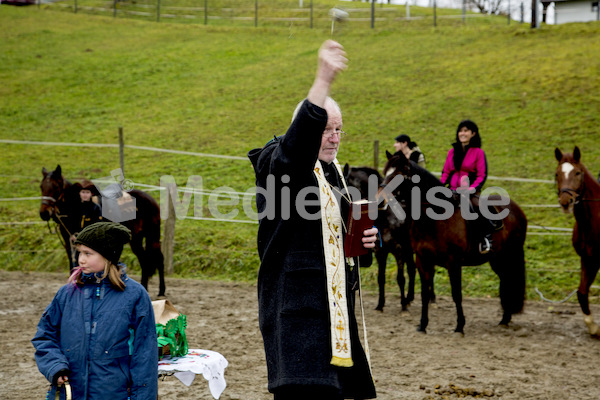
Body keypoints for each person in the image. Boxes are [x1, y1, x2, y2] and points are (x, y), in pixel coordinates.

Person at [247, 40, 377, 400]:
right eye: (325, 128)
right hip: (298, 320)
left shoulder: (335, 177)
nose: (334, 137)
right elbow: (294, 153)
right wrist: (323, 80)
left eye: (339, 129)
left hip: (335, 322)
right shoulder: (277, 165)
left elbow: (344, 250)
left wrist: (365, 245)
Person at [32, 222, 158, 400]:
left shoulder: (135, 295)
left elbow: (145, 354)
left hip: (113, 392)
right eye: (79, 252)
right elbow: (44, 335)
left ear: (108, 256)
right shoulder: (66, 293)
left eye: (87, 253)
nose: (80, 259)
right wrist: (55, 366)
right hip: (71, 392)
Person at [440, 119, 498, 254]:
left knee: (477, 208)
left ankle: (485, 238)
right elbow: (446, 172)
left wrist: (473, 188)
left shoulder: (478, 153)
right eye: (460, 131)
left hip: (470, 191)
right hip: (452, 190)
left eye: (466, 131)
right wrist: (440, 187)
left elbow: (482, 175)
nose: (462, 133)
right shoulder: (451, 152)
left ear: (473, 133)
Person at [69, 179, 103, 268]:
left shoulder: (95, 208)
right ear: (79, 193)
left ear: (91, 194)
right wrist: (72, 234)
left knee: (88, 262)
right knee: (76, 261)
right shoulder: (75, 207)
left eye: (87, 192)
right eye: (83, 192)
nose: (85, 195)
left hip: (89, 240)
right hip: (77, 240)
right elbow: (73, 222)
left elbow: (97, 225)